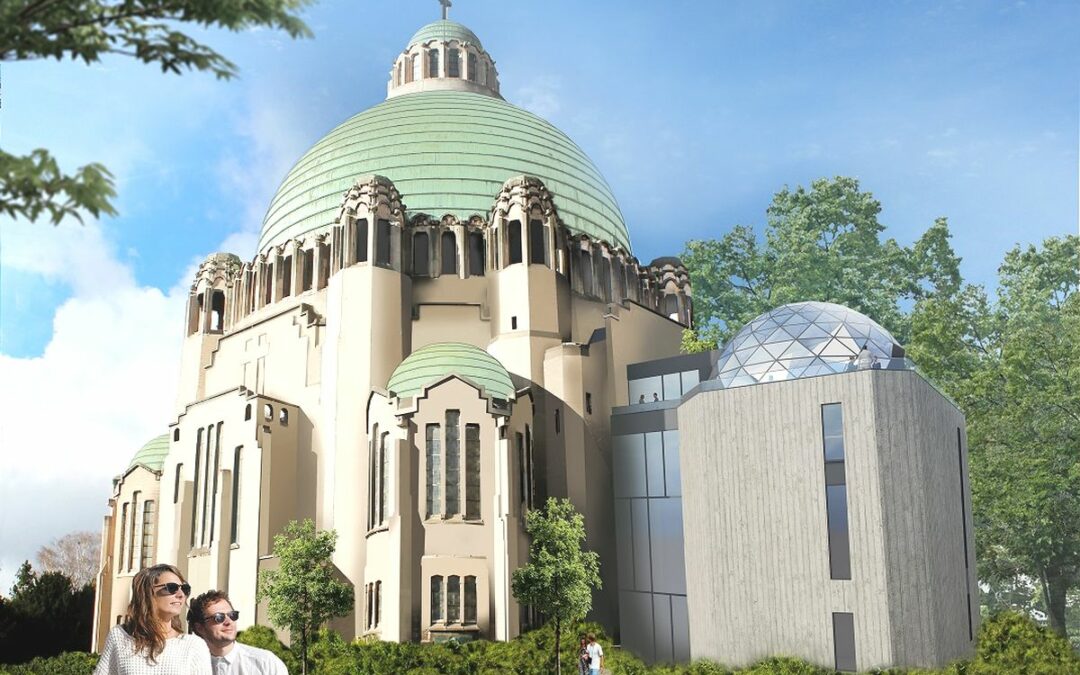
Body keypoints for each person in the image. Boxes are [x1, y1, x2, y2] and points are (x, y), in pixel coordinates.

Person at [95, 564, 211, 675]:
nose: (181, 595)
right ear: (148, 593)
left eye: (185, 589)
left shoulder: (194, 646)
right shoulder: (120, 637)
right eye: (171, 588)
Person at [189, 590, 288, 675]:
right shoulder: (189, 668)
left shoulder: (266, 663)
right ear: (200, 628)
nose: (228, 622)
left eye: (232, 615)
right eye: (219, 617)